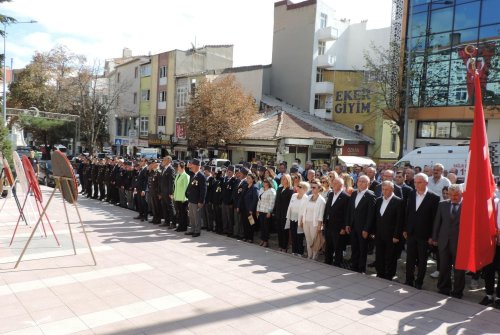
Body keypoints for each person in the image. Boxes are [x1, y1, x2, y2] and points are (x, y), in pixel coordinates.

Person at [403, 173, 440, 289]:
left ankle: (419, 282)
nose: (416, 185)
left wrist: (432, 236)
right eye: (415, 182)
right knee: (409, 258)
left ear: (426, 183)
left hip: (425, 235)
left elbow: (435, 219)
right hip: (411, 233)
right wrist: (405, 228)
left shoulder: (434, 197)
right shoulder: (412, 193)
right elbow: (408, 212)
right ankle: (409, 280)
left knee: (422, 260)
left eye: (419, 182)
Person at [431, 184, 465, 298]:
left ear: (461, 194)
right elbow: (437, 223)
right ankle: (443, 288)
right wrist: (434, 238)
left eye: (456, 195)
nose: (453, 197)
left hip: (460, 243)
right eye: (451, 195)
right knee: (444, 267)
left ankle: (457, 291)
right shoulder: (442, 205)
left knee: (459, 269)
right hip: (443, 241)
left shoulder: (467, 206)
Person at [345, 175, 376, 273]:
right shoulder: (353, 193)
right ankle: (354, 266)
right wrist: (347, 224)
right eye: (359, 181)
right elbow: (349, 210)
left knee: (363, 249)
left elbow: (371, 215)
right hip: (353, 226)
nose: (361, 183)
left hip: (363, 228)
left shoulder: (371, 195)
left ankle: (361, 269)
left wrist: (367, 229)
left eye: (363, 181)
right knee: (354, 248)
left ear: (368, 183)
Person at [374, 181, 403, 280]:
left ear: (392, 190)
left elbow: (400, 220)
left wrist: (396, 235)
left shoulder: (398, 201)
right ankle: (380, 272)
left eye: (386, 189)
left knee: (391, 256)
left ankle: (389, 274)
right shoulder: (378, 200)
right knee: (379, 254)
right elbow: (375, 217)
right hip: (379, 233)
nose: (384, 191)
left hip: (391, 235)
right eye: (383, 189)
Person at [323, 177, 350, 266]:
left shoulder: (345, 197)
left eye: (336, 183)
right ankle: (328, 261)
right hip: (328, 224)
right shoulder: (331, 194)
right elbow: (327, 209)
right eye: (333, 183)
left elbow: (347, 214)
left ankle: (337, 263)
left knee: (338, 247)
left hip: (338, 227)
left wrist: (343, 227)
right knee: (328, 245)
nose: (333, 185)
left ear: (341, 185)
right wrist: (324, 221)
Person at [480, 195, 500, 308]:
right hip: (490, 243)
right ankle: (488, 294)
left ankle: (498, 297)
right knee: (488, 269)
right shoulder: (494, 202)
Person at [299, 179, 326, 260]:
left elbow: (321, 214)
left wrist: (319, 225)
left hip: (315, 223)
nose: (312, 189)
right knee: (308, 239)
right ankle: (309, 255)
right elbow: (304, 210)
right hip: (306, 221)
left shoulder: (322, 200)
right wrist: (302, 220)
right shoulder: (309, 197)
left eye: (314, 187)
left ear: (319, 189)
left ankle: (315, 256)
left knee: (315, 240)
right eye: (312, 187)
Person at [286, 181, 310, 256]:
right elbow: (290, 206)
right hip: (292, 218)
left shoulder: (307, 198)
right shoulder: (294, 195)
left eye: (300, 187)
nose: (297, 188)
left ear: (305, 189)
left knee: (300, 236)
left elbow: (306, 210)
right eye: (298, 186)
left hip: (301, 220)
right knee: (293, 235)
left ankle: (300, 252)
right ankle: (294, 251)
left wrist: (303, 220)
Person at [185, 159, 207, 237]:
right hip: (191, 199)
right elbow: (186, 169)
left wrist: (201, 201)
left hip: (197, 200)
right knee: (191, 216)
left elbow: (203, 190)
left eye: (193, 165)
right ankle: (192, 229)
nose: (191, 167)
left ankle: (197, 231)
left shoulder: (201, 176)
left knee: (196, 216)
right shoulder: (193, 174)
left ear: (197, 166)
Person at [274, 173, 294, 252]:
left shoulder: (290, 190)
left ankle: (284, 246)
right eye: (282, 178)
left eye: (284, 179)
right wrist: (275, 211)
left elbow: (290, 204)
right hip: (278, 213)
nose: (283, 180)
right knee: (279, 230)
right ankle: (280, 245)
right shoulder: (279, 189)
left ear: (288, 180)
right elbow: (276, 201)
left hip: (285, 214)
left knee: (284, 231)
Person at [256, 177, 276, 247]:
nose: (264, 183)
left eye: (266, 182)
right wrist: (257, 209)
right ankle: (262, 239)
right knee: (262, 227)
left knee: (266, 227)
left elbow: (272, 202)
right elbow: (259, 200)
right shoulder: (261, 189)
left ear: (269, 183)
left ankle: (266, 241)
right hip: (261, 210)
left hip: (267, 212)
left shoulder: (272, 191)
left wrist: (269, 212)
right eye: (264, 181)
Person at [240, 173, 259, 243]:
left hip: (250, 210)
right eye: (247, 178)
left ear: (253, 180)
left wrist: (251, 209)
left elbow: (255, 199)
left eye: (249, 178)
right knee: (245, 223)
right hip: (244, 208)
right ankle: (245, 236)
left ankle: (250, 238)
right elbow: (242, 197)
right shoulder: (246, 186)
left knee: (251, 223)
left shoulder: (255, 187)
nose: (247, 179)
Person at [159, 156, 176, 228]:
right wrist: (160, 192)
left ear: (168, 161)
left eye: (164, 160)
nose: (162, 161)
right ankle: (167, 221)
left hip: (168, 192)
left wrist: (171, 193)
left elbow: (171, 182)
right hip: (163, 191)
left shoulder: (171, 169)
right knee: (164, 207)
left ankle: (174, 223)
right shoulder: (163, 168)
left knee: (170, 207)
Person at [173, 161, 190, 232]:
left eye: (179, 167)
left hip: (183, 198)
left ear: (182, 167)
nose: (177, 168)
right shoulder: (178, 175)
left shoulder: (186, 176)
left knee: (183, 213)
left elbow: (186, 188)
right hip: (177, 197)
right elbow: (175, 186)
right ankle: (180, 226)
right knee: (179, 213)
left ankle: (183, 227)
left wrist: (184, 198)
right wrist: (174, 195)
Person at [221, 166, 238, 237]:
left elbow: (233, 193)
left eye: (230, 172)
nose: (228, 173)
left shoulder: (234, 180)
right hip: (224, 201)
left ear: (233, 172)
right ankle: (225, 229)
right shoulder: (225, 179)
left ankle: (230, 231)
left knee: (230, 218)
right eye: (227, 171)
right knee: (224, 216)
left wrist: (231, 202)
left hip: (229, 202)